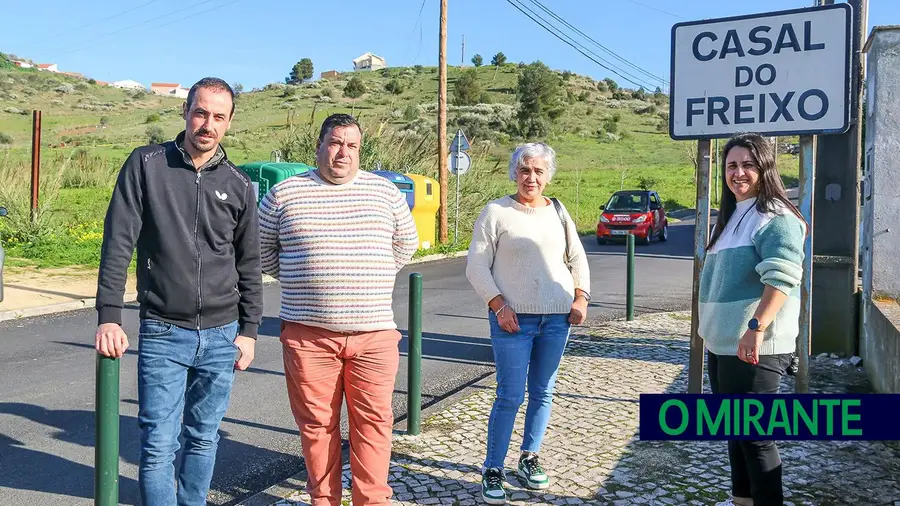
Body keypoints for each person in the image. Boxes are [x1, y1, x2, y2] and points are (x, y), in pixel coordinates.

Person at [94, 77, 263, 506]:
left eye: (218, 117)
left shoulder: (240, 184)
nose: (208, 124)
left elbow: (249, 265)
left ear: (228, 123)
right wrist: (109, 316)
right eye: (201, 112)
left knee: (204, 438)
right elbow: (118, 242)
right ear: (186, 112)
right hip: (163, 330)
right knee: (157, 445)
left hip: (223, 334)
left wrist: (250, 331)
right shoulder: (146, 164)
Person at [258, 113, 418, 506]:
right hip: (309, 338)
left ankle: (371, 501)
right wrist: (306, 277)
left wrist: (365, 278)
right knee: (317, 426)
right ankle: (323, 501)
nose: (342, 152)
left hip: (374, 337)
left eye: (351, 145)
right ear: (318, 146)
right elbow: (262, 253)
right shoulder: (284, 195)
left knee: (375, 425)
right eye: (334, 142)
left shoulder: (385, 193)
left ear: (360, 150)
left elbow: (405, 246)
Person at [465, 142, 591, 505]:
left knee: (544, 392)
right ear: (514, 172)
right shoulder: (496, 212)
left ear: (548, 175)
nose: (531, 177)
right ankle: (493, 468)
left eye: (538, 171)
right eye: (524, 170)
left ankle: (529, 457)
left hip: (557, 318)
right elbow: (476, 266)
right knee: (509, 395)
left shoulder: (559, 211)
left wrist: (581, 296)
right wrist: (498, 304)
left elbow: (577, 257)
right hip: (512, 321)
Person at [699, 133, 807, 506]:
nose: (738, 172)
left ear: (765, 168)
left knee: (757, 437)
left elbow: (783, 276)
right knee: (736, 431)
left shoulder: (775, 215)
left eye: (748, 164)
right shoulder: (734, 216)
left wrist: (756, 328)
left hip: (754, 344)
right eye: (731, 165)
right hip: (723, 343)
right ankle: (742, 500)